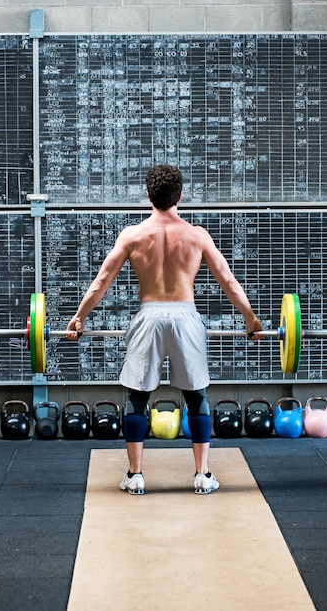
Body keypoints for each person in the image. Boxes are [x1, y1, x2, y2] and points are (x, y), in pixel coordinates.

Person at [66, 164, 263, 495]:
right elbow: (227, 281)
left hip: (149, 315)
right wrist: (250, 319)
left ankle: (135, 475)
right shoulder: (197, 236)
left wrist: (79, 317)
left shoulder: (133, 235)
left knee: (137, 396)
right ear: (180, 196)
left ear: (148, 196)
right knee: (195, 394)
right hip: (187, 316)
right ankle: (202, 475)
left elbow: (102, 281)